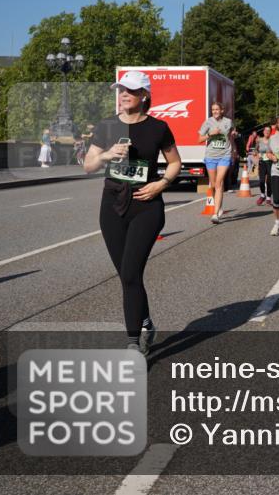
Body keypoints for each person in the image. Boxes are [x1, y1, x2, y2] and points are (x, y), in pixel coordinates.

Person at [84, 70, 182, 355]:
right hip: (112, 205)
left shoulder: (158, 128)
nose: (123, 94)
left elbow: (175, 162)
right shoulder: (107, 126)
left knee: (129, 273)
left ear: (144, 96)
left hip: (146, 206)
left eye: (130, 90)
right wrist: (105, 155)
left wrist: (160, 185)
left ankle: (132, 344)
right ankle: (146, 320)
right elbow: (88, 165)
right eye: (121, 90)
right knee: (129, 277)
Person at [198, 101, 232, 224]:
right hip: (211, 156)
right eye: (213, 110)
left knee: (218, 183)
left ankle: (215, 214)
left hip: (224, 156)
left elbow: (230, 131)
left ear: (222, 110)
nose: (215, 112)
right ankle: (219, 205)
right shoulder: (208, 122)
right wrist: (209, 134)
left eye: (217, 109)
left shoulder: (228, 122)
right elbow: (199, 139)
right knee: (213, 185)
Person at [255, 126, 272, 205]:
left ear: (270, 132)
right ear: (263, 132)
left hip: (270, 161)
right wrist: (257, 154)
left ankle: (268, 197)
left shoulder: (272, 140)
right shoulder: (259, 140)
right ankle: (262, 195)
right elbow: (256, 150)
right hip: (262, 162)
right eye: (265, 130)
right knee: (261, 181)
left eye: (268, 130)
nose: (267, 132)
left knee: (269, 181)